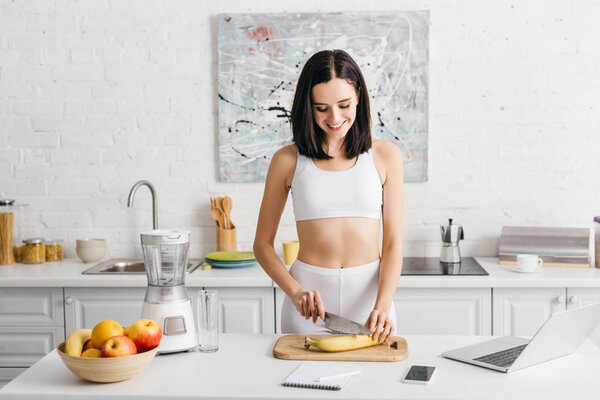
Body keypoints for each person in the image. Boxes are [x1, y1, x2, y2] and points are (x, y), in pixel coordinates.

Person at [253, 49, 404, 342]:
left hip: (372, 308)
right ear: (307, 107)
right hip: (308, 309)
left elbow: (394, 243)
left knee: (375, 387)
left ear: (359, 96)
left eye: (344, 105)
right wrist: (296, 292)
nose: (335, 118)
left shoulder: (386, 155)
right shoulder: (287, 160)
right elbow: (262, 245)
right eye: (321, 108)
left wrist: (383, 305)